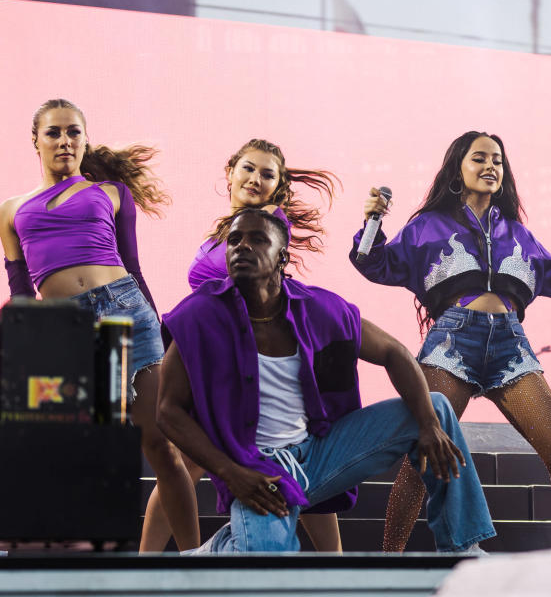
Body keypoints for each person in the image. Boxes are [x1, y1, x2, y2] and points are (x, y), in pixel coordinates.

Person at [157, 208, 495, 553]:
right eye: (234, 240)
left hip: (323, 452)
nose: (241, 247)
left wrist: (428, 426)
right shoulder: (199, 314)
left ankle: (463, 550)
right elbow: (168, 410)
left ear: (281, 256)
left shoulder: (318, 307)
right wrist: (230, 472)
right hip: (259, 470)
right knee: (263, 566)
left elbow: (395, 352)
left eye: (258, 239)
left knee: (435, 408)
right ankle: (217, 552)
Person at [350, 131, 551, 549]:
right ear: (458, 169)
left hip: (511, 346)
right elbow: (374, 262)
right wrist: (373, 222)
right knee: (424, 455)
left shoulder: (517, 233)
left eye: (497, 160)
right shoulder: (427, 226)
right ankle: (391, 561)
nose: (491, 166)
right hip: (452, 344)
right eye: (479, 158)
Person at [0, 98, 199, 551]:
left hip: (124, 313)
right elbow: (21, 288)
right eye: (54, 132)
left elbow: (133, 264)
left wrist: (167, 333)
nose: (65, 140)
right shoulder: (11, 210)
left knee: (159, 444)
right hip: (67, 330)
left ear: (85, 139)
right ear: (36, 141)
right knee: (91, 451)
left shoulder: (111, 193)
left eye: (73, 131)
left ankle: (195, 559)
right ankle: (94, 556)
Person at [141, 138, 346, 552]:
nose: (256, 179)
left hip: (242, 367)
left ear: (278, 185)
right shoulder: (229, 229)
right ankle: (159, 562)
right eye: (249, 169)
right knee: (185, 462)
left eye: (267, 174)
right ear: (230, 171)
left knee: (188, 461)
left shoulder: (267, 225)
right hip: (215, 363)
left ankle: (160, 562)